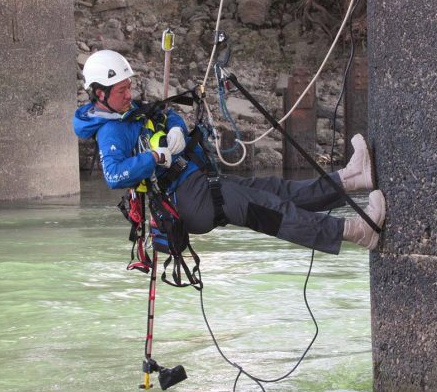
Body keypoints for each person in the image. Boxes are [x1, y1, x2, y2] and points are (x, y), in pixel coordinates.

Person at [73, 50, 386, 254]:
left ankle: (352, 178)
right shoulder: (110, 131)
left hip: (197, 183)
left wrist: (176, 128)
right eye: (121, 90)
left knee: (276, 190)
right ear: (99, 93)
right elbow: (115, 175)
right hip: (188, 201)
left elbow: (164, 113)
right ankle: (358, 232)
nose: (129, 94)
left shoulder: (128, 111)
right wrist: (156, 157)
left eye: (129, 87)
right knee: (269, 210)